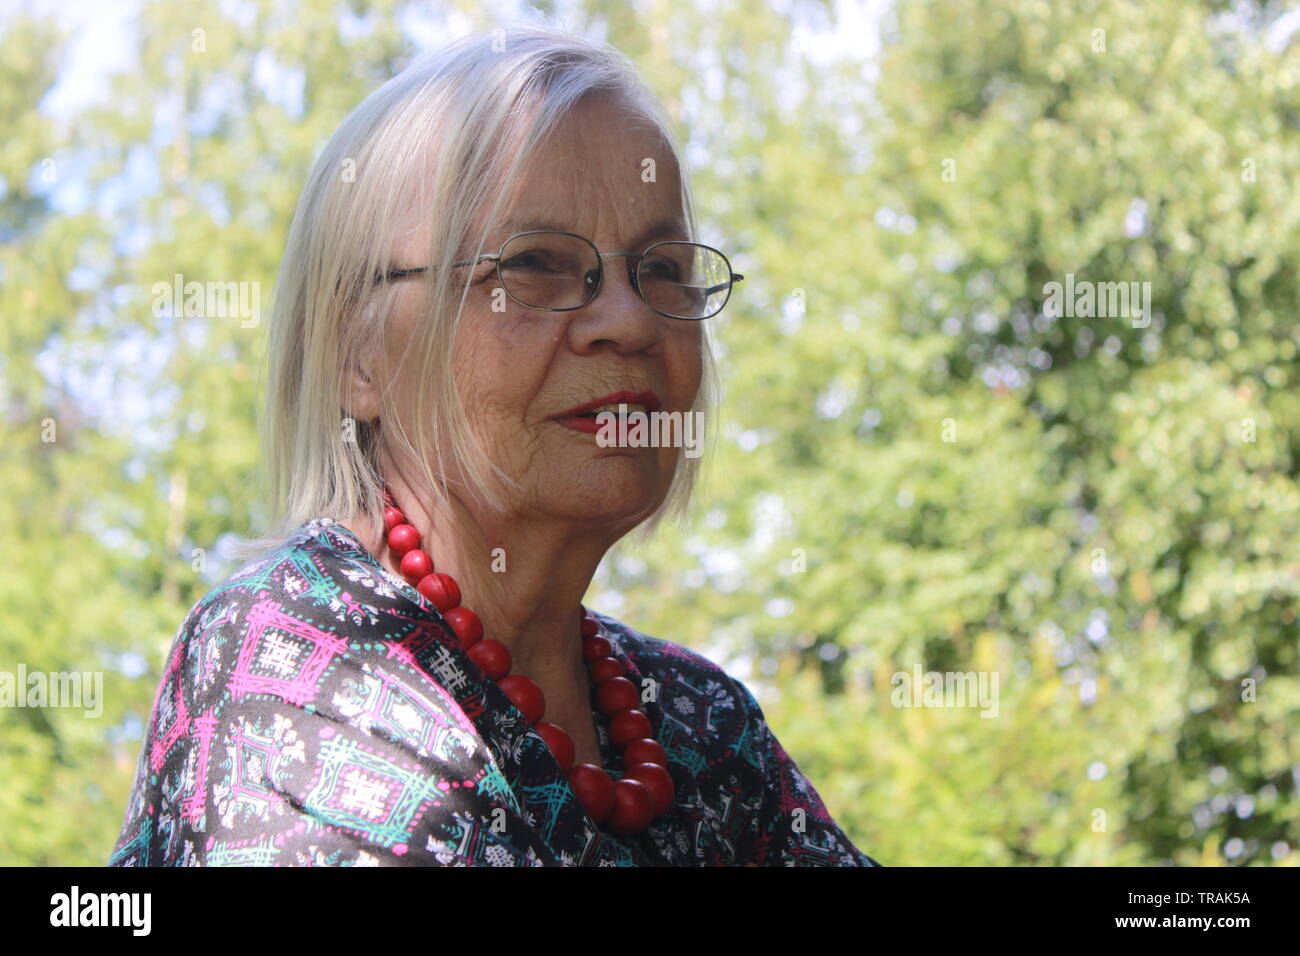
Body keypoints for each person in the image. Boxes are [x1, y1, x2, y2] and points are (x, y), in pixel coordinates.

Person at [109, 24, 878, 866]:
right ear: (356, 354)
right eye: (535, 262)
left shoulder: (699, 725)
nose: (629, 320)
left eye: (661, 268)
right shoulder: (294, 664)